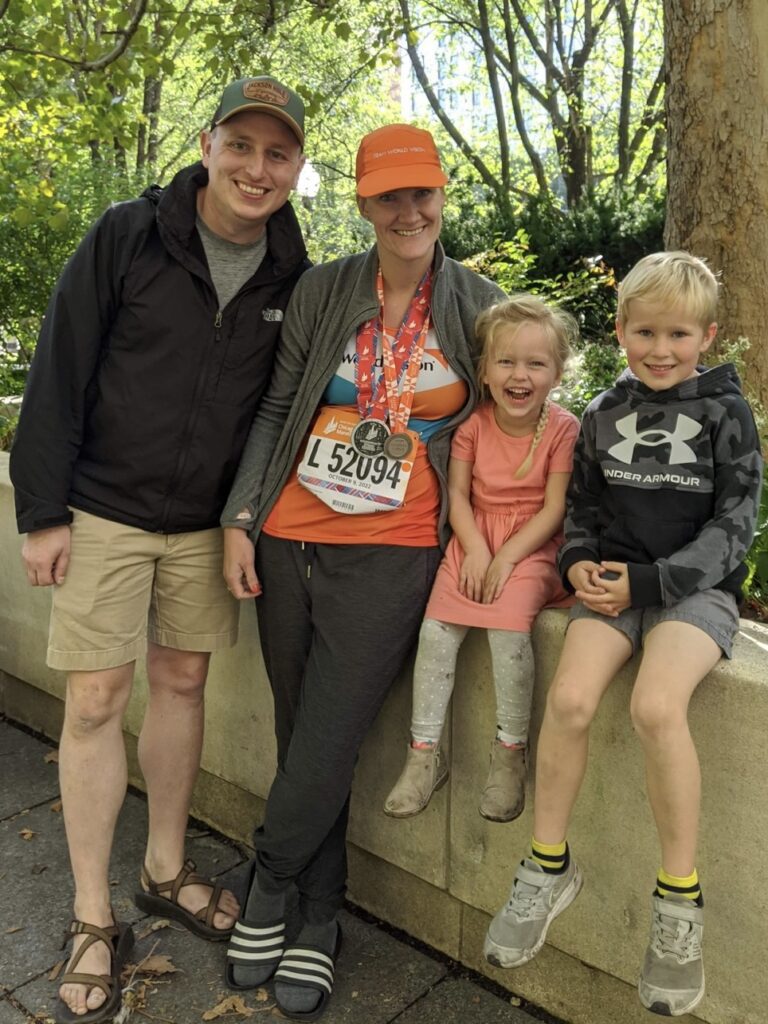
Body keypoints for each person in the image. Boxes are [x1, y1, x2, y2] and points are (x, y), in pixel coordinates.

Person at [9, 75, 310, 1024]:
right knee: (97, 697)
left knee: (182, 686)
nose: (257, 169)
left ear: (297, 167)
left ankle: (164, 869)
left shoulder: (291, 269)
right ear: (210, 143)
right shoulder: (128, 235)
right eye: (242, 146)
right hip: (100, 509)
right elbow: (60, 364)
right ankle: (94, 916)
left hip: (205, 523)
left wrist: (247, 515)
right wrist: (41, 509)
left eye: (278, 153)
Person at [220, 123, 505, 1020]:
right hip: (289, 537)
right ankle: (317, 917)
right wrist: (241, 518)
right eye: (390, 196)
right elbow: (275, 407)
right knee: (306, 730)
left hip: (397, 550)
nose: (409, 210)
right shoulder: (325, 288)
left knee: (332, 730)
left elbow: (518, 425)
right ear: (363, 203)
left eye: (423, 193)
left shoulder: (476, 303)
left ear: (442, 196)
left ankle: (269, 877)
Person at [483, 252, 763, 1017]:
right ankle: (547, 867)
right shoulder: (606, 409)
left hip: (691, 596)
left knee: (654, 709)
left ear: (707, 336)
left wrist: (652, 583)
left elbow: (737, 525)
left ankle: (679, 899)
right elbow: (584, 507)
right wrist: (577, 563)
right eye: (646, 332)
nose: (661, 349)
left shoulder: (726, 413)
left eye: (678, 334)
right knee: (570, 700)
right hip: (612, 589)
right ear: (621, 330)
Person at [383, 296, 579, 823]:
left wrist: (507, 557)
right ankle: (423, 755)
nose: (520, 375)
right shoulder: (473, 425)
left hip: (532, 546)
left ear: (557, 372)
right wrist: (474, 549)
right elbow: (460, 497)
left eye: (536, 363)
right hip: (474, 540)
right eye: (506, 362)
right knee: (436, 633)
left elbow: (556, 507)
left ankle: (510, 754)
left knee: (509, 633)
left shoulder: (562, 429)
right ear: (485, 372)